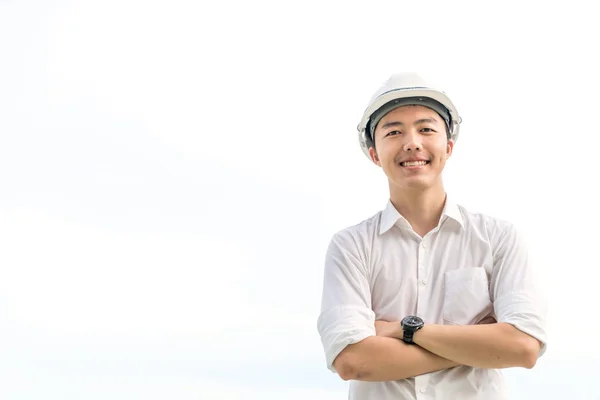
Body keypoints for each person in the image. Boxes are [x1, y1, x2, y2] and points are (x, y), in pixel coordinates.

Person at [316, 72, 547, 399]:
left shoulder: (499, 239)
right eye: (394, 131)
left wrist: (403, 331)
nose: (412, 142)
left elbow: (523, 348)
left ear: (448, 146)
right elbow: (354, 361)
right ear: (374, 154)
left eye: (426, 129)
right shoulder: (351, 246)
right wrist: (478, 346)